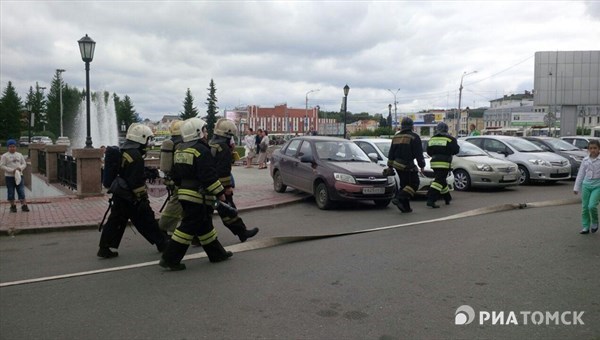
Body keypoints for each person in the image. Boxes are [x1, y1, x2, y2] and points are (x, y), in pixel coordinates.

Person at [160, 118, 232, 271]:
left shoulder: (180, 149)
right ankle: (169, 259)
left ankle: (217, 254)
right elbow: (209, 176)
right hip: (198, 196)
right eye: (204, 131)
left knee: (204, 226)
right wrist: (220, 193)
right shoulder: (201, 150)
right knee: (187, 227)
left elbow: (176, 174)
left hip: (184, 194)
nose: (207, 134)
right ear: (197, 132)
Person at [97, 124, 168, 258]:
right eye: (147, 139)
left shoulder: (125, 151)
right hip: (130, 196)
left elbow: (126, 171)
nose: (148, 143)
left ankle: (104, 247)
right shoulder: (135, 155)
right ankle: (162, 243)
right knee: (146, 218)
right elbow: (135, 181)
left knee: (116, 220)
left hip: (121, 193)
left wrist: (146, 172)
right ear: (141, 138)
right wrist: (142, 198)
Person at [209, 118, 259, 242]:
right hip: (220, 187)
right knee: (228, 210)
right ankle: (242, 232)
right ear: (227, 135)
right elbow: (224, 171)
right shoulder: (224, 149)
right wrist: (227, 188)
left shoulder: (211, 144)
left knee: (204, 213)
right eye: (231, 136)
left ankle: (198, 237)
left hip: (209, 185)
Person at [385, 117, 426, 213]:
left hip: (397, 165)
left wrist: (390, 166)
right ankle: (399, 198)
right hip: (407, 165)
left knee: (405, 185)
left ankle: (406, 207)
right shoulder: (414, 137)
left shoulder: (396, 137)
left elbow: (391, 153)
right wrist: (422, 165)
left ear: (402, 126)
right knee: (414, 184)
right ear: (412, 126)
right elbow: (418, 154)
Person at [158, 120, 185, 235]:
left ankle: (194, 233)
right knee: (176, 203)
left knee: (185, 206)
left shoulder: (171, 142)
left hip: (170, 178)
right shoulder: (181, 144)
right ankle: (162, 228)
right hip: (179, 180)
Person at [427, 122, 460, 208]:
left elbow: (428, 152)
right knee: (438, 181)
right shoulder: (450, 139)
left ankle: (447, 198)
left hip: (434, 163)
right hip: (444, 164)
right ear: (446, 129)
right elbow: (456, 150)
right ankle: (431, 199)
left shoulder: (432, 139)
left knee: (442, 180)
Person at [573, 139, 600, 234]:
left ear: (599, 149)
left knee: (592, 206)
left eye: (595, 148)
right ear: (588, 149)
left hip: (597, 186)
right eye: (591, 148)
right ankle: (585, 226)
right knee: (585, 207)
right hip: (586, 185)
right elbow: (581, 174)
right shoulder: (585, 160)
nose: (593, 150)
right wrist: (576, 187)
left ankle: (595, 221)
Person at [0, 139, 29, 213]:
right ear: (8, 147)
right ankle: (13, 206)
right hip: (9, 177)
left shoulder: (19, 155)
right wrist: (11, 170)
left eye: (13, 146)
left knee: (21, 190)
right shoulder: (5, 156)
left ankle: (24, 205)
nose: (12, 148)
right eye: (10, 147)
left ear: (16, 147)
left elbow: (24, 164)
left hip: (19, 176)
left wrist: (20, 168)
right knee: (10, 191)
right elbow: (2, 166)